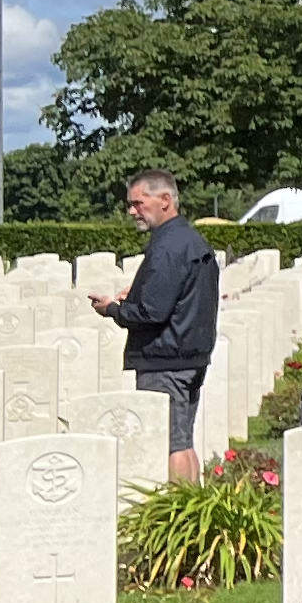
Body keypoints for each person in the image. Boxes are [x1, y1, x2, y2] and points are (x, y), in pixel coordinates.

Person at [92, 170, 218, 483]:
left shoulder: (168, 246)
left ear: (164, 200)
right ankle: (192, 502)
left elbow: (153, 312)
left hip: (165, 359)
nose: (131, 211)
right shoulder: (188, 239)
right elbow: (177, 296)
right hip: (188, 354)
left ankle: (178, 508)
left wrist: (113, 310)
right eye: (130, 204)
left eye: (138, 203)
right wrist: (134, 295)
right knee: (182, 439)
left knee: (170, 443)